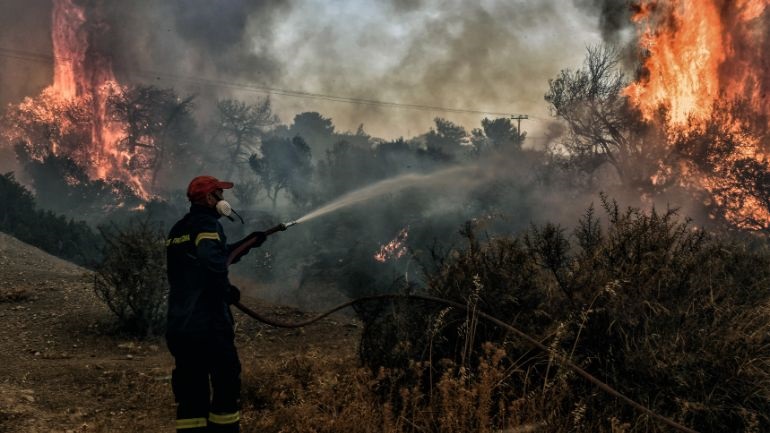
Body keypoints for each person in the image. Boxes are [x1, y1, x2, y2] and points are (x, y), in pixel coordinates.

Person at [165, 175, 267, 432]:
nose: (224, 199)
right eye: (220, 194)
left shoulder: (179, 229)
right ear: (210, 199)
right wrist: (225, 291)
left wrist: (250, 242)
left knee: (191, 394)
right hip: (208, 324)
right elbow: (213, 263)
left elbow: (215, 257)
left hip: (181, 325)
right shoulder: (207, 225)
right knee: (225, 384)